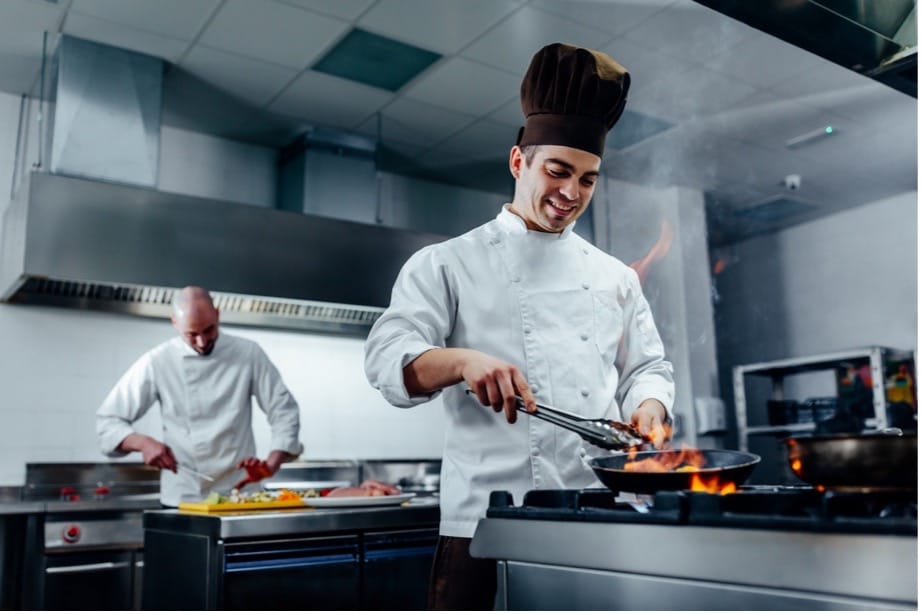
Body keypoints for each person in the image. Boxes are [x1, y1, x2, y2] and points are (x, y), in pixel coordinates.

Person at [364, 43, 675, 610]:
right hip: (487, 521)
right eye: (558, 171)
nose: (571, 194)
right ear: (518, 162)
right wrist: (462, 360)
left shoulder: (613, 277)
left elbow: (647, 369)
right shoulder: (447, 263)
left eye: (588, 179)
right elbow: (388, 360)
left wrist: (649, 407)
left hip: (599, 513)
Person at [96, 286, 303, 506]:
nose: (202, 342)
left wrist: (271, 464)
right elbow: (108, 422)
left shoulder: (248, 353)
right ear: (174, 322)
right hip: (184, 496)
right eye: (192, 334)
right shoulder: (158, 361)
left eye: (209, 330)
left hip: (240, 493)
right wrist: (142, 443)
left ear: (218, 315)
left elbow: (284, 410)